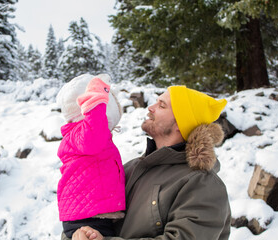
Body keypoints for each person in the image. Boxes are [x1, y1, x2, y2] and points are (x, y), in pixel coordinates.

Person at [65, 85, 231, 240]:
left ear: (181, 124)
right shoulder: (131, 168)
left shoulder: (202, 184)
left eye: (162, 105)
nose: (150, 108)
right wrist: (79, 232)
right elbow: (92, 215)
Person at [56, 74, 126, 238]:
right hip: (88, 216)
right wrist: (96, 102)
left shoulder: (81, 136)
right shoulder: (83, 134)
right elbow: (93, 133)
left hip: (90, 211)